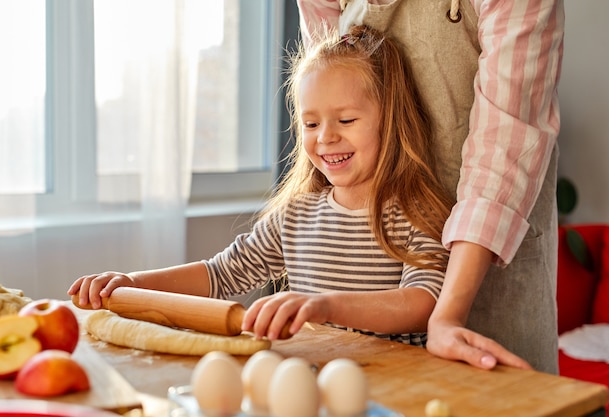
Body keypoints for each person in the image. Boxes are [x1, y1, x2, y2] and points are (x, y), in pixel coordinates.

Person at [68, 25, 454, 346]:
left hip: (393, 389)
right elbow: (221, 274)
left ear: (392, 119)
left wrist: (324, 306)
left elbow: (424, 302)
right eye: (311, 124)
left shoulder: (417, 213)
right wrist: (133, 283)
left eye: (347, 120)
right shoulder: (296, 215)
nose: (326, 138)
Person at [297, 0, 564, 374]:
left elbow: (504, 147)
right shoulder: (295, 219)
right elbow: (325, 86)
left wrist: (445, 316)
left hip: (492, 256)